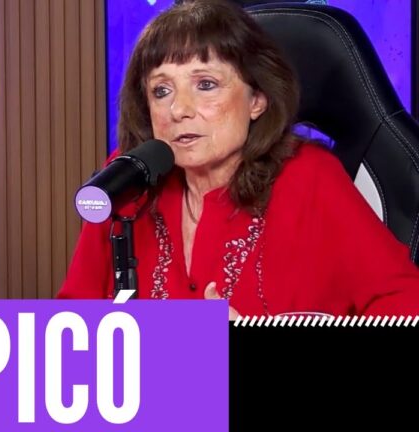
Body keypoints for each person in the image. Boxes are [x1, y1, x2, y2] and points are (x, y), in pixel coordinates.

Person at [58, 0, 419, 316]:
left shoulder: (310, 176)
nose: (178, 109)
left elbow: (405, 301)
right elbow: (74, 319)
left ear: (257, 100)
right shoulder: (127, 178)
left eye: (205, 84)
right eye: (161, 90)